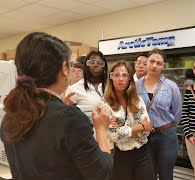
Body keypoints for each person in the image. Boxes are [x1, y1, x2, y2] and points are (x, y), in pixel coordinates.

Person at [0, 32, 113, 179]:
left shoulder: (10, 115)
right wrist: (101, 129)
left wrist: (60, 110)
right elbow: (102, 173)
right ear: (64, 68)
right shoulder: (69, 118)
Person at [101, 60, 155, 180]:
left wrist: (124, 130)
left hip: (142, 153)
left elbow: (147, 130)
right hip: (120, 156)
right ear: (111, 78)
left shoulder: (138, 101)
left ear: (130, 78)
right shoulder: (104, 104)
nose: (121, 79)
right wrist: (140, 127)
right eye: (117, 75)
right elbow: (114, 135)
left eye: (124, 75)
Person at [136, 48, 182, 180]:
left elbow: (177, 112)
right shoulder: (135, 86)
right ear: (147, 62)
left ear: (163, 66)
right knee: (147, 174)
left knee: (166, 175)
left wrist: (166, 127)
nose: (154, 65)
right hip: (144, 136)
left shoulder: (171, 86)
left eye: (159, 63)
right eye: (152, 61)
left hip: (166, 136)